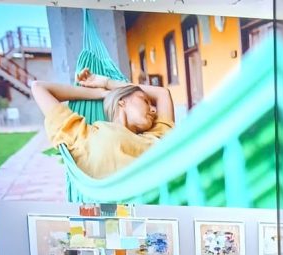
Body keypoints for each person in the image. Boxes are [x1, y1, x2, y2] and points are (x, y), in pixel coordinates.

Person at [31, 68, 175, 180]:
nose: (154, 109)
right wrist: (101, 93)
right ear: (121, 101)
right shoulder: (84, 135)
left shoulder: (157, 134)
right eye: (145, 100)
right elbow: (39, 88)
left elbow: (162, 93)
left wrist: (108, 83)